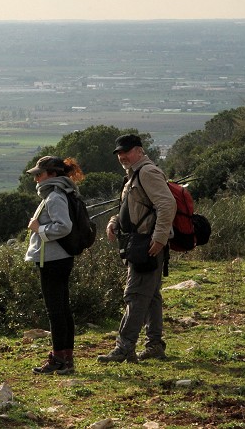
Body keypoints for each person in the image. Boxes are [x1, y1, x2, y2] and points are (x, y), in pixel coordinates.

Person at [97, 134, 176, 364]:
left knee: (135, 294)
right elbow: (129, 208)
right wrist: (114, 222)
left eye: (127, 151)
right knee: (150, 296)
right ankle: (154, 345)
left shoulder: (147, 172)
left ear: (139, 151)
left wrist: (159, 238)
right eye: (119, 153)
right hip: (141, 242)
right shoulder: (134, 174)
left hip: (146, 244)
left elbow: (167, 204)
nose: (122, 156)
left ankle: (124, 348)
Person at [25, 155, 85, 375]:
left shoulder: (54, 196)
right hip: (59, 258)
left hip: (52, 259)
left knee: (55, 311)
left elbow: (64, 226)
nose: (36, 179)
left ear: (52, 174)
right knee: (62, 309)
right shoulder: (62, 192)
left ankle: (59, 359)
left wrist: (39, 229)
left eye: (39, 174)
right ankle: (65, 359)